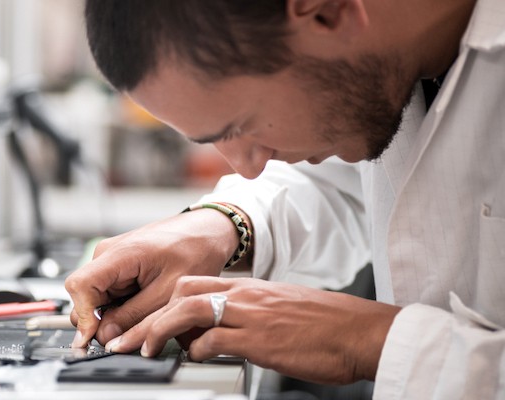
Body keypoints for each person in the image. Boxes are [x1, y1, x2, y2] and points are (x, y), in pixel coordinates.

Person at [64, 0, 505, 398]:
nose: (247, 167)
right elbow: (357, 181)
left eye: (241, 125)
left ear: (329, 12)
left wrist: (372, 341)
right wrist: (224, 226)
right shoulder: (374, 73)